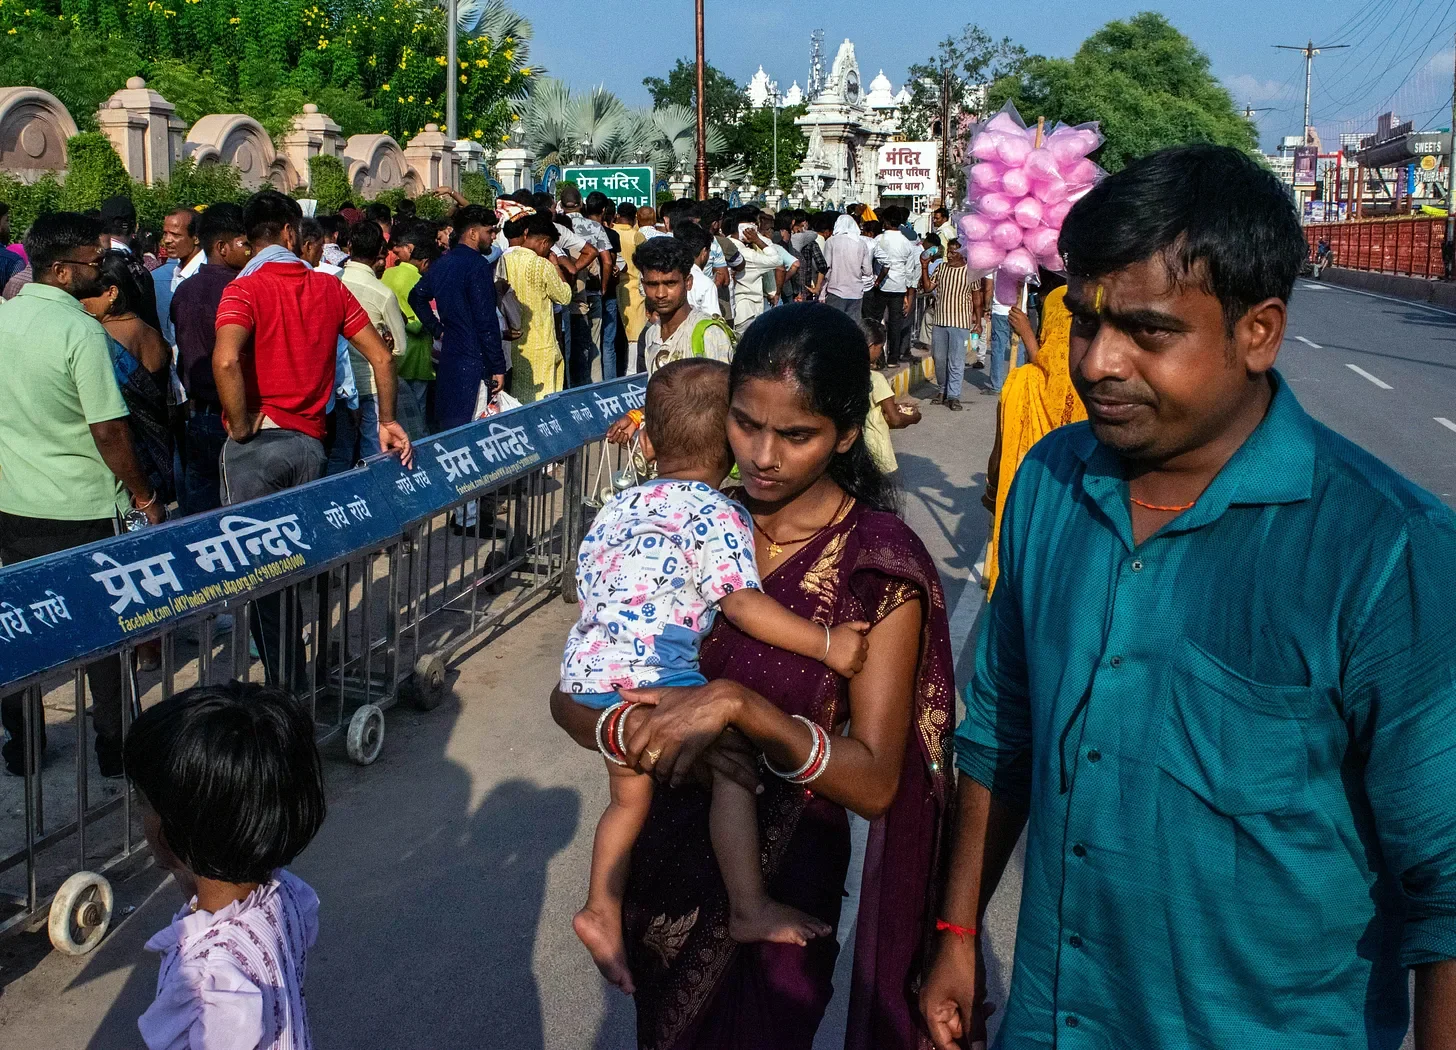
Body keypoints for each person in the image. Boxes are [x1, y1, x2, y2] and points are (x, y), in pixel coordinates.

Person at [921, 144, 1456, 1050]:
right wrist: (959, 935)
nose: (1097, 362)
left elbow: (1447, 888)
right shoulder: (1051, 480)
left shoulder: (1385, 551)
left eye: (1149, 331)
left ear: (1259, 332)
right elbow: (1001, 732)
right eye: (1084, 321)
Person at [551, 302, 954, 1049]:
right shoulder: (692, 521)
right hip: (662, 889)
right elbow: (572, 696)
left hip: (784, 888)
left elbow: (873, 783)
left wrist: (740, 709)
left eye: (795, 436)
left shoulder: (874, 564)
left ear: (842, 433)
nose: (763, 456)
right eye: (745, 424)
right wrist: (630, 727)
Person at [564, 357, 870, 992]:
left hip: (586, 674)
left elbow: (589, 584)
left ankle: (601, 905)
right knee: (730, 767)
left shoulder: (618, 507)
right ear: (731, 449)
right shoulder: (715, 513)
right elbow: (742, 603)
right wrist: (828, 644)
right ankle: (749, 906)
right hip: (656, 676)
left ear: (646, 441)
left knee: (626, 798)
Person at [213, 191, 411, 689]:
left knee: (260, 574)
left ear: (247, 238)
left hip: (256, 447)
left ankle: (286, 685)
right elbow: (383, 358)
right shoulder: (328, 288)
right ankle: (310, 673)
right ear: (288, 233)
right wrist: (387, 419)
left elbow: (226, 360)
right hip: (310, 443)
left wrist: (239, 424)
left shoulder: (241, 290)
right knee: (307, 559)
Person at [0, 212, 164, 778]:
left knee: (21, 627)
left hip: (13, 507)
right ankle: (115, 748)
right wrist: (143, 496)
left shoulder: (2, 319)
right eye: (94, 261)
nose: (102, 268)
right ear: (62, 271)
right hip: (84, 509)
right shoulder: (79, 332)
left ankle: (23, 745)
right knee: (104, 631)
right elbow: (109, 430)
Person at [125, 682, 326, 1050]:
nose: (142, 816)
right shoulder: (284, 895)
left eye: (144, 802)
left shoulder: (207, 980)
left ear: (178, 825)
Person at [978, 282, 1086, 596]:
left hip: (1022, 511)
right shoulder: (1101, 391)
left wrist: (992, 490)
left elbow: (999, 455)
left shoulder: (1022, 384)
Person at [171, 203, 250, 516]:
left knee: (202, 512)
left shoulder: (184, 290)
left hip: (199, 415)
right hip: (233, 416)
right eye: (244, 244)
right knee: (240, 513)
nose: (250, 251)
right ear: (221, 247)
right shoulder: (239, 291)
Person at [84, 250, 175, 508]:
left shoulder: (101, 341)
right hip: (161, 455)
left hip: (129, 467)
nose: (83, 302)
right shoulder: (152, 334)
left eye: (90, 293)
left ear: (112, 293)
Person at [408, 205, 507, 431]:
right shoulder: (478, 266)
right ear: (472, 233)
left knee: (451, 425)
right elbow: (486, 321)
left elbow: (417, 297)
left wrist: (438, 329)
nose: (493, 237)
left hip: (450, 353)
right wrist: (498, 366)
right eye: (490, 231)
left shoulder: (443, 262)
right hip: (475, 358)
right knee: (475, 427)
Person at [329, 220, 408, 474]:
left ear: (349, 247)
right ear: (381, 255)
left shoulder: (331, 283)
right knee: (373, 455)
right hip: (372, 385)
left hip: (337, 385)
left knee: (340, 453)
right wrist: (384, 342)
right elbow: (399, 349)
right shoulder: (382, 293)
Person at [633, 236, 733, 375]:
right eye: (652, 284)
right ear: (643, 285)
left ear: (688, 282)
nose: (660, 294)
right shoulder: (651, 334)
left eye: (670, 283)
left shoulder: (709, 334)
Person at [501, 212, 573, 403]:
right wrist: (556, 266)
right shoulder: (542, 265)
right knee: (543, 400)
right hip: (540, 344)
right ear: (544, 242)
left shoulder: (503, 260)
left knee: (515, 400)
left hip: (510, 342)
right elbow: (565, 296)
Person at [380, 221, 441, 436]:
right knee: (418, 412)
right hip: (416, 356)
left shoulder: (387, 274)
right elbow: (419, 323)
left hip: (392, 353)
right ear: (425, 263)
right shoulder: (419, 280)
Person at [859, 317, 920, 478]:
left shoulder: (849, 375)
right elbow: (895, 420)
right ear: (872, 346)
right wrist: (913, 417)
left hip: (855, 453)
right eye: (880, 348)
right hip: (876, 450)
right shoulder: (876, 380)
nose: (880, 353)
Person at [927, 238, 982, 411]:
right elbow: (929, 287)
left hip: (960, 323)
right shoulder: (941, 268)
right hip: (940, 321)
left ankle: (954, 395)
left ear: (963, 254)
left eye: (953, 252)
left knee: (956, 361)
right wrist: (923, 266)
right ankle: (942, 389)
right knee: (939, 358)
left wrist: (978, 322)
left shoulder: (970, 272)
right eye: (948, 251)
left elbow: (976, 299)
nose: (949, 255)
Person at [871, 206, 920, 368]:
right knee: (895, 323)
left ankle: (879, 356)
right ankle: (894, 357)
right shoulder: (907, 243)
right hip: (899, 287)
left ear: (885, 221)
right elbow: (910, 271)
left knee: (876, 322)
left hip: (881, 286)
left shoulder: (878, 240)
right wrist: (909, 295)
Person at [728, 210, 781, 337]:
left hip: (735, 308)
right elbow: (776, 260)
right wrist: (758, 240)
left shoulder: (726, 244)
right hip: (748, 310)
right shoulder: (747, 254)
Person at [822, 213, 872, 320]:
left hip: (835, 290)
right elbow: (868, 271)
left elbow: (826, 268)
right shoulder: (861, 243)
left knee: (835, 326)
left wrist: (822, 292)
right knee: (853, 328)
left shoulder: (831, 241)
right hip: (856, 292)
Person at [673, 221, 721, 317]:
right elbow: (714, 320)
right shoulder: (706, 284)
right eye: (709, 252)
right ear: (704, 252)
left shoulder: (672, 273)